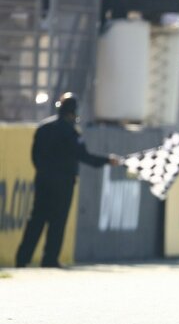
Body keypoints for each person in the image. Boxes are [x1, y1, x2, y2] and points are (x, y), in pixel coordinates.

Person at [15, 92, 120, 268]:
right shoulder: (71, 133)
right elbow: (85, 157)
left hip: (43, 180)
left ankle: (22, 258)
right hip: (63, 184)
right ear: (72, 113)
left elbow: (35, 156)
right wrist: (107, 160)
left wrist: (44, 172)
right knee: (57, 221)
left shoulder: (43, 128)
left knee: (36, 219)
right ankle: (49, 259)